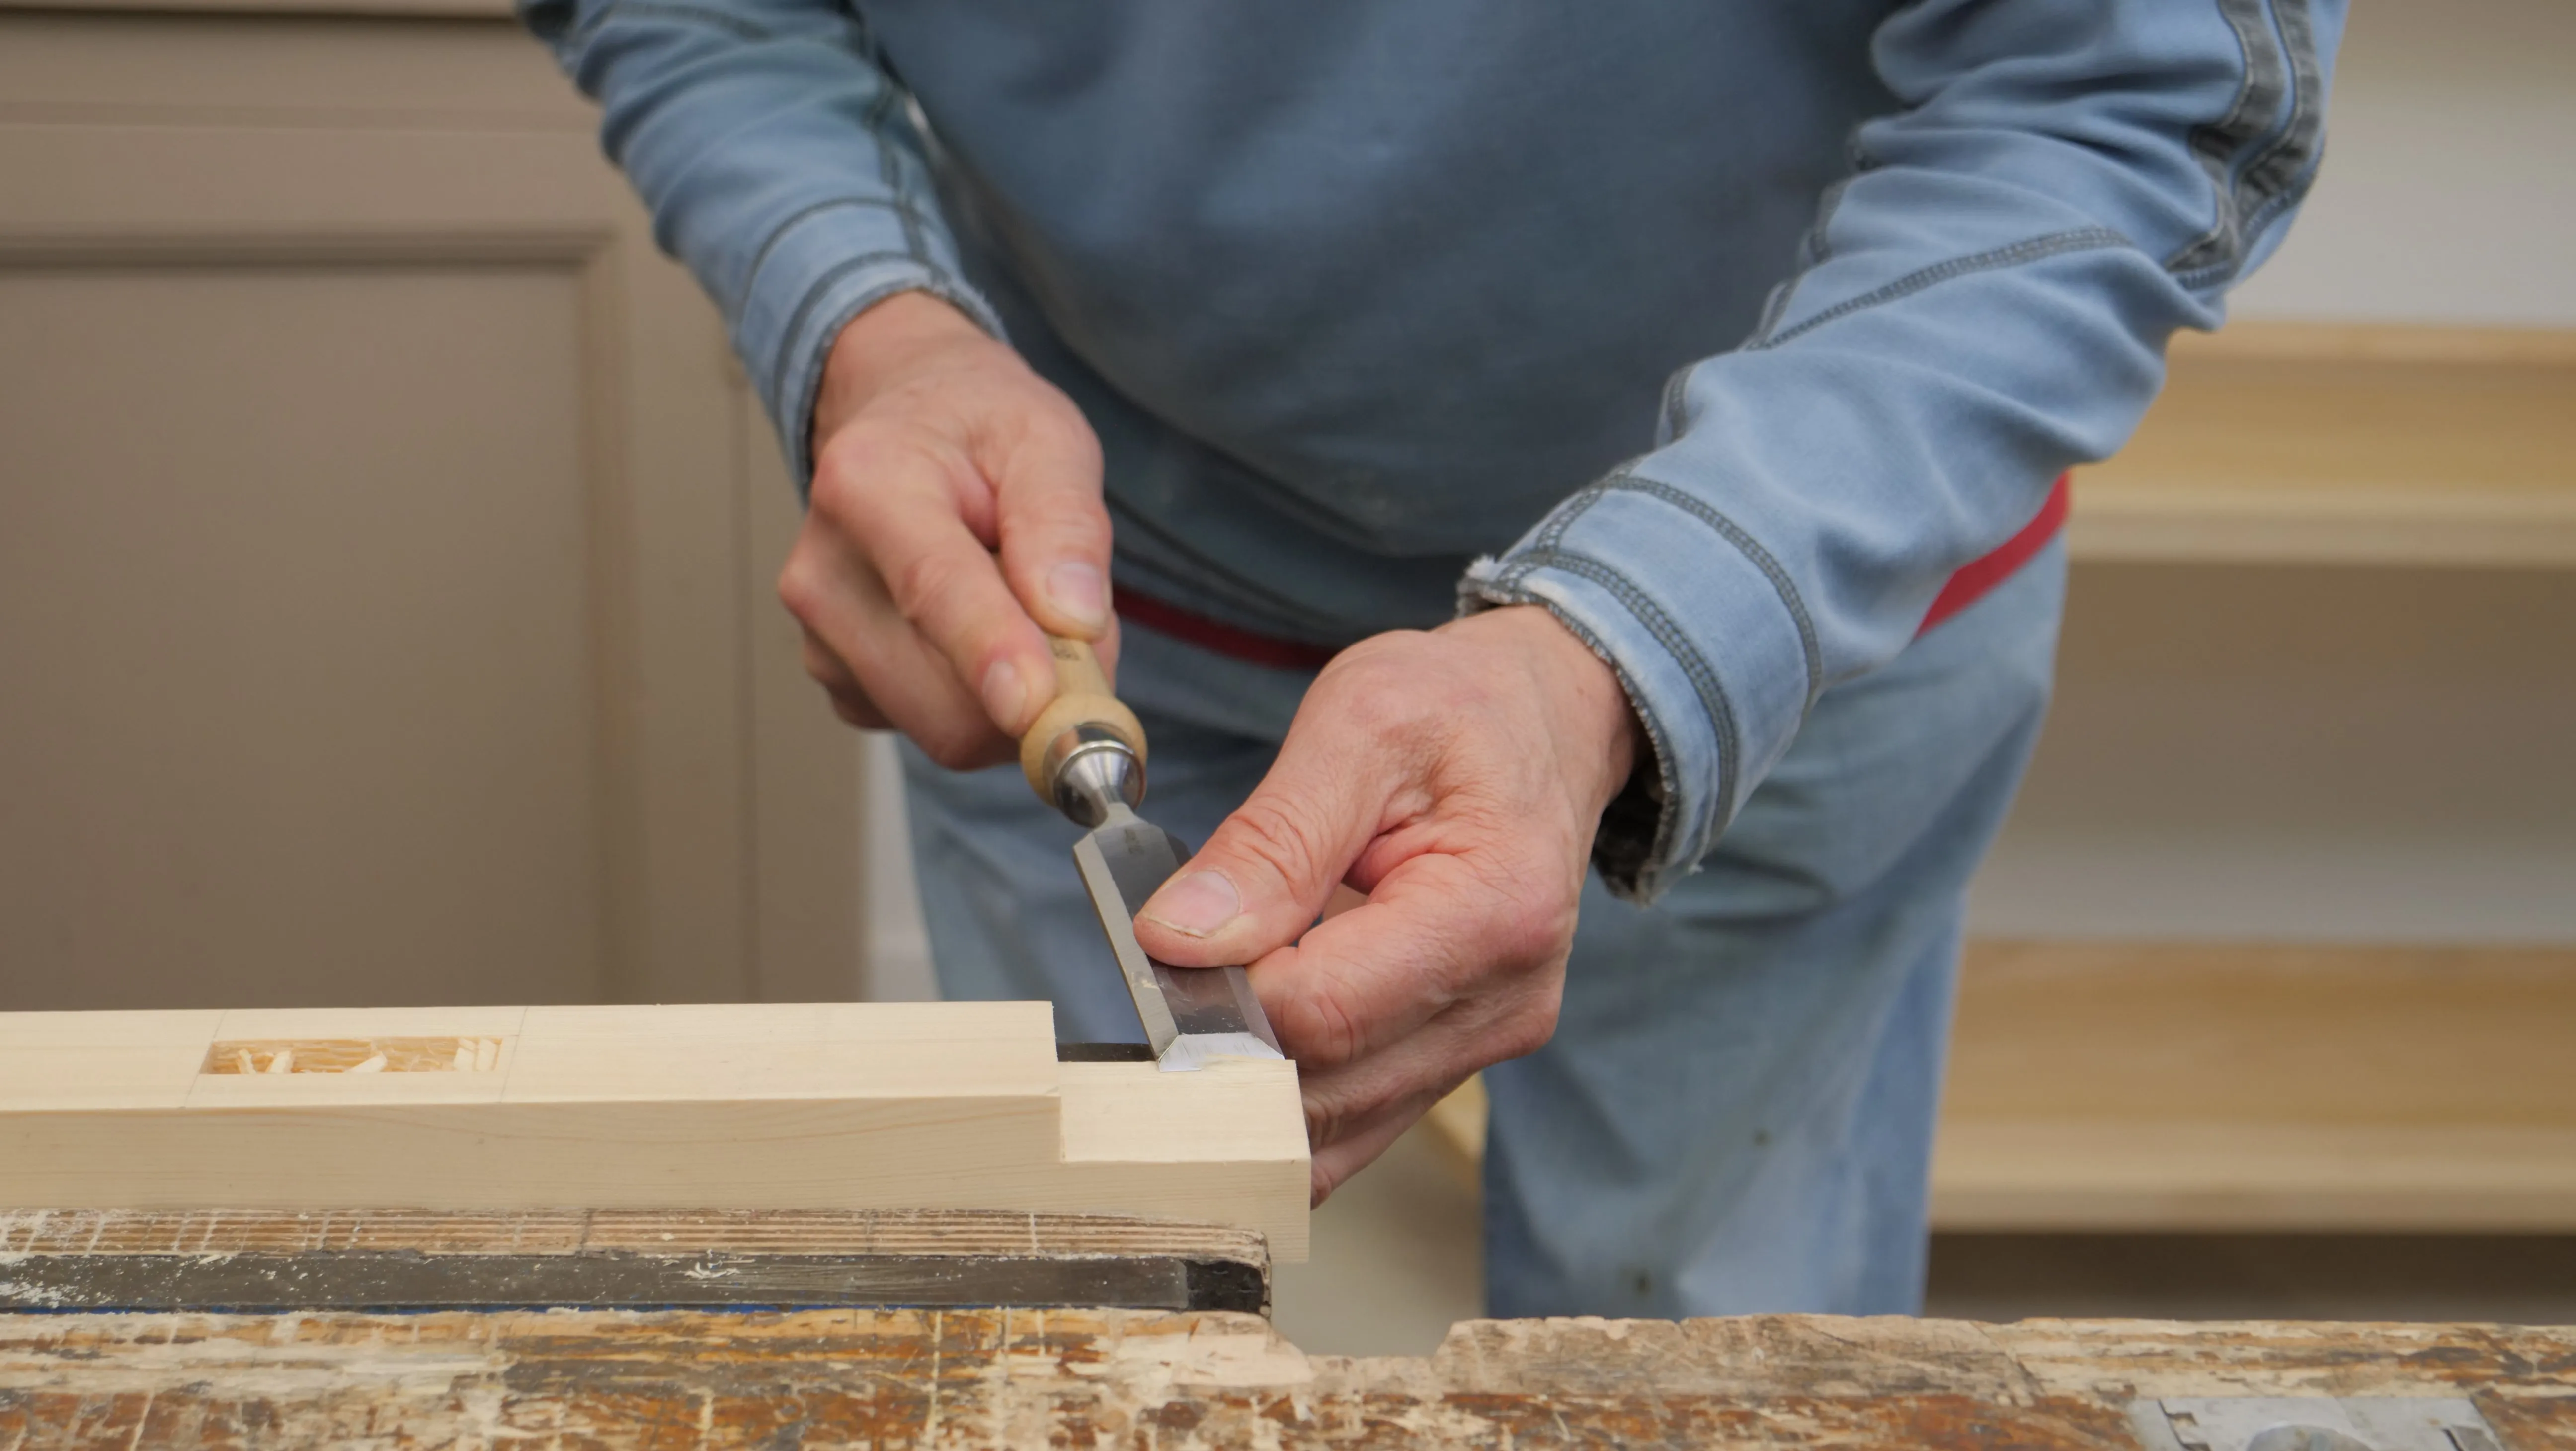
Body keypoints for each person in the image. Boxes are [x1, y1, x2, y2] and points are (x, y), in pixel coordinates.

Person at [526, 1, 2341, 1316]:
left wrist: (1639, 644)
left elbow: (2128, 89)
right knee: (1091, 1340)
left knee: (1700, 1353)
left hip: (1796, 585)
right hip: (1088, 608)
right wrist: (868, 318)